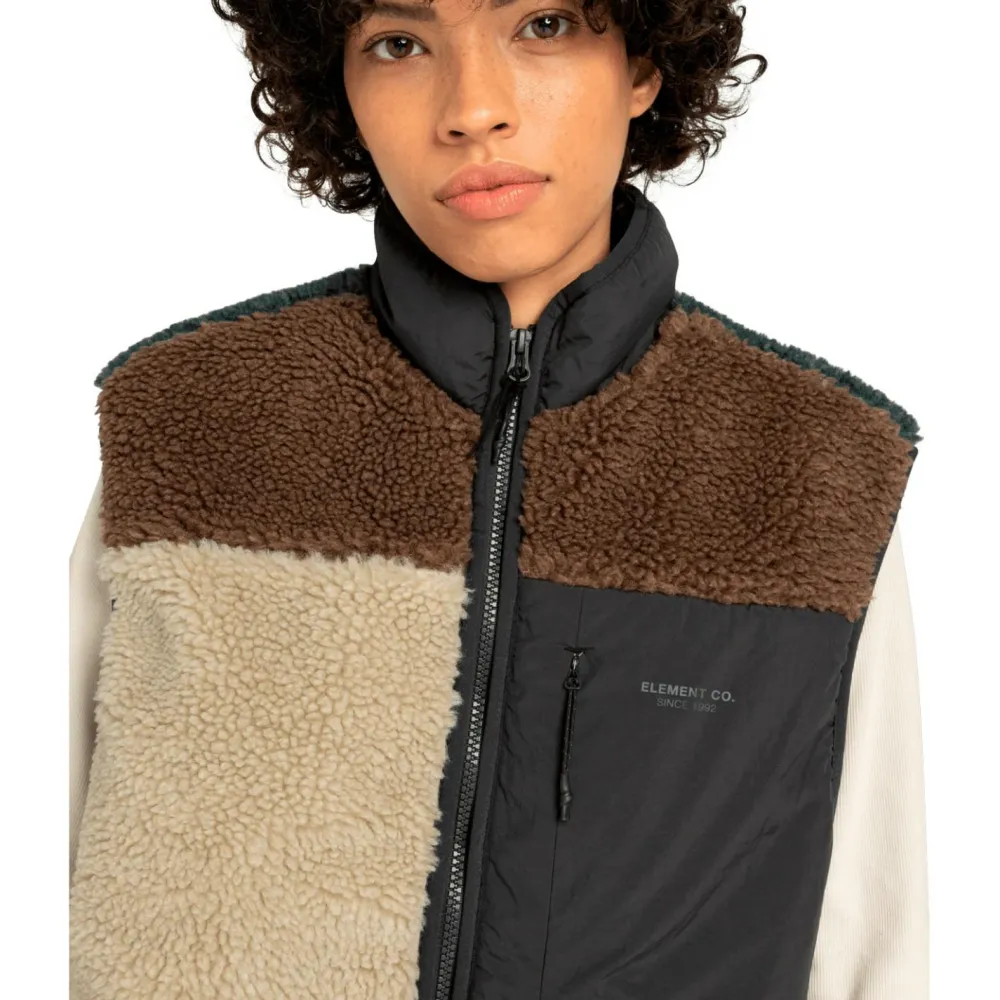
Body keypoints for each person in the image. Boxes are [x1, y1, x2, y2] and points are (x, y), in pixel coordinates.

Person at [69, 1, 929, 998]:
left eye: (544, 25)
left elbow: (877, 948)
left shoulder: (812, 468)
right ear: (337, 85)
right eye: (399, 44)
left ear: (643, 64)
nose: (473, 108)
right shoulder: (193, 423)